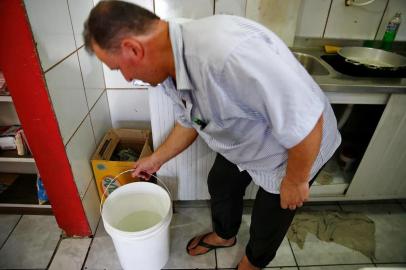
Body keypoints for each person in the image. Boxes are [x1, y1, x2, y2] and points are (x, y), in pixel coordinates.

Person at [83, 1, 341, 269]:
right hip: (248, 140)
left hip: (295, 150)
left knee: (271, 216)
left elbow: (308, 123)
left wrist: (297, 180)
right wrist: (156, 159)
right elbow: (189, 120)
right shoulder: (170, 62)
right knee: (221, 181)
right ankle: (225, 235)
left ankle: (253, 262)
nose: (125, 77)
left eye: (118, 68)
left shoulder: (227, 57)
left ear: (133, 49)